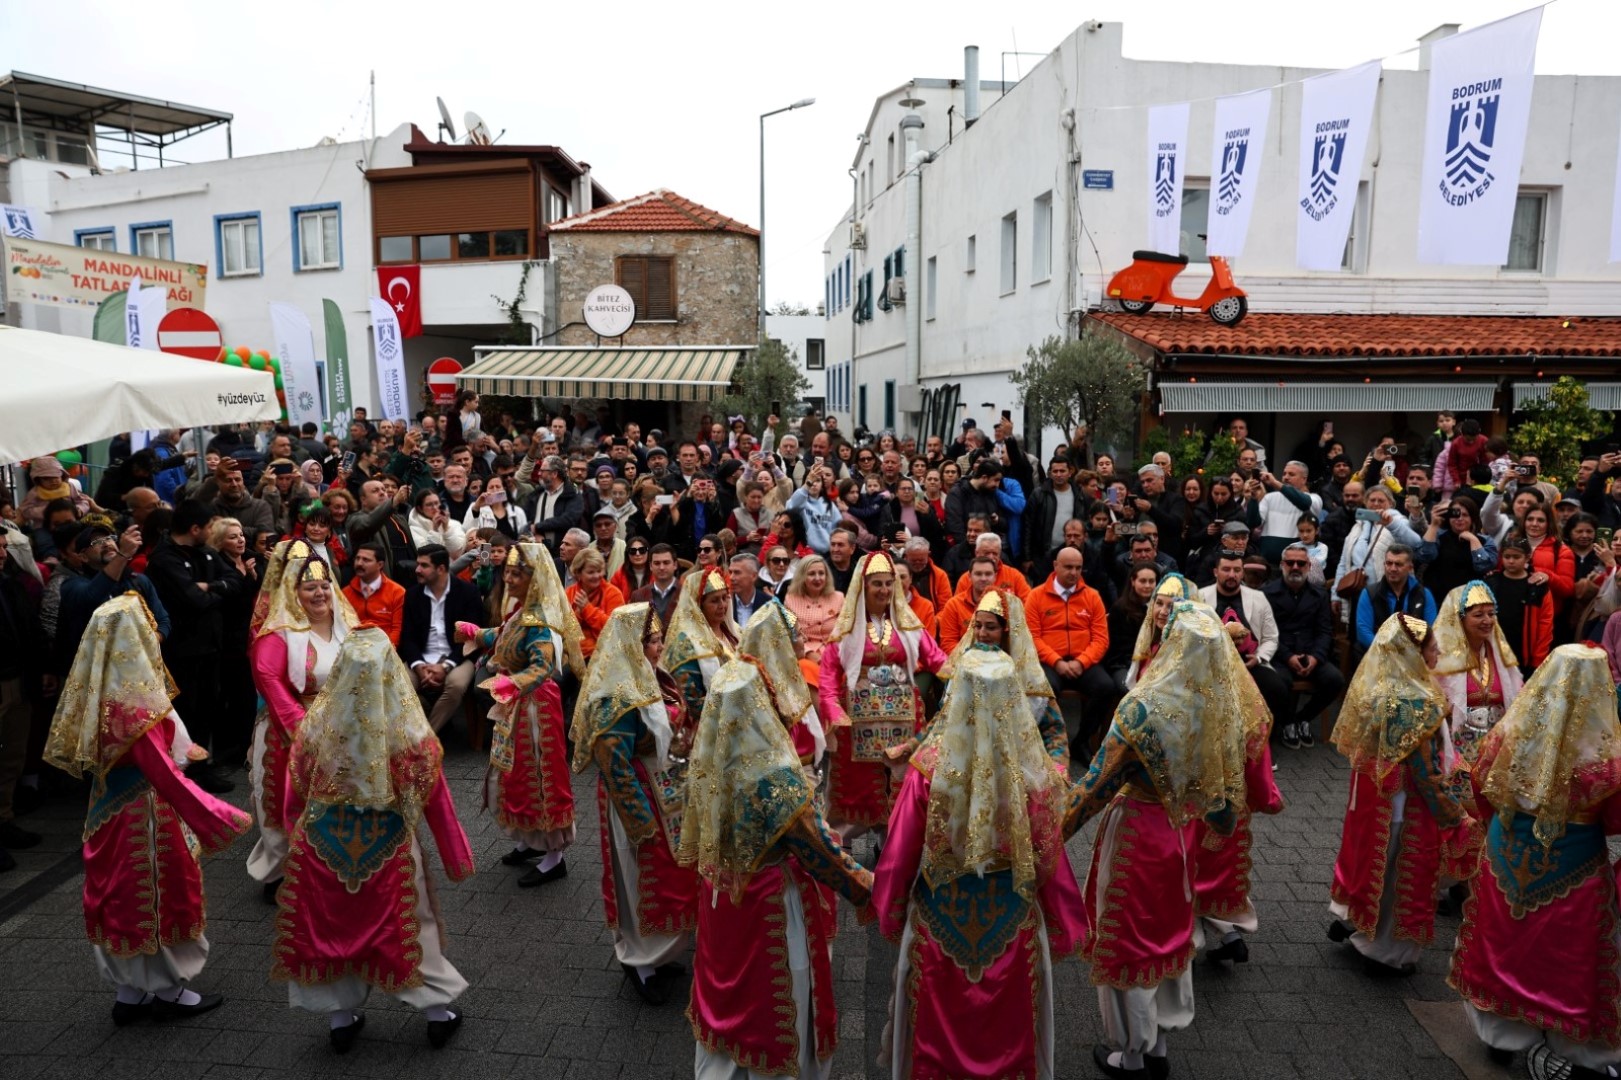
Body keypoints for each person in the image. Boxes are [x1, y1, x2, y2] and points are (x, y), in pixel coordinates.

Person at [874, 648, 1085, 1078]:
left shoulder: (929, 769)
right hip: (1011, 923)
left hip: (939, 921)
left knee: (935, 1035)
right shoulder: (1030, 770)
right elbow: (1049, 855)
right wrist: (1064, 920)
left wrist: (891, 911)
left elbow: (898, 856)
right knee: (1009, 1034)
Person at [45, 594, 251, 1024]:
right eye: (148, 627)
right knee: (159, 894)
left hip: (105, 812)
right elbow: (163, 772)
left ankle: (129, 992)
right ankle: (170, 991)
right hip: (145, 813)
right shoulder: (134, 705)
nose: (156, 634)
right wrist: (215, 813)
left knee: (117, 895)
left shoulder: (102, 692)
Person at [678, 628, 871, 1080]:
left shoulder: (710, 762)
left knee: (725, 992)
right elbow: (818, 851)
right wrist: (871, 887)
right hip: (768, 902)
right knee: (778, 994)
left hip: (722, 898)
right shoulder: (775, 777)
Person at [1065, 602, 1248, 1078]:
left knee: (1129, 939)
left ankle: (1129, 1054)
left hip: (1137, 835)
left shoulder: (1142, 709)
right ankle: (1159, 1045)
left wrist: (1046, 835)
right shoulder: (1219, 708)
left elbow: (1094, 789)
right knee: (1169, 936)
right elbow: (1226, 808)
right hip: (1180, 836)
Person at [272, 628, 474, 1053]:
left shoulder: (316, 728)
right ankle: (436, 1012)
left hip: (323, 845)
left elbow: (295, 792)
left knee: (330, 928)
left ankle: (341, 1019)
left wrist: (294, 837)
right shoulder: (409, 732)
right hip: (389, 846)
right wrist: (457, 857)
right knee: (407, 927)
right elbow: (437, 801)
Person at [1448, 644, 1621, 1077]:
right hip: (1575, 866)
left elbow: (1479, 780)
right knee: (1566, 953)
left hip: (1507, 854)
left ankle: (1500, 1036)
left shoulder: (1512, 731)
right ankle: (1573, 1048)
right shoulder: (1606, 754)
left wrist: (1499, 829)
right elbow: (1616, 819)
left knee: (1504, 942)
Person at [1328, 614, 1474, 975]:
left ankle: (1359, 925)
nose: (1438, 651)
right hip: (1406, 808)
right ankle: (1387, 953)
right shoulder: (1418, 704)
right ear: (1413, 653)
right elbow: (1426, 772)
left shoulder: (1379, 686)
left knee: (1374, 866)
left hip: (1374, 801)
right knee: (1400, 875)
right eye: (1431, 646)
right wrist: (1454, 814)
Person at [568, 603, 696, 1005]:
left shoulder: (654, 676)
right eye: (652, 641)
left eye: (659, 639)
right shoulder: (615, 696)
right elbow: (613, 763)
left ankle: (660, 951)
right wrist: (641, 822)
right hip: (637, 798)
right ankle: (639, 958)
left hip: (668, 790)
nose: (659, 648)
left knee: (674, 874)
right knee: (639, 874)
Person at [460, 543, 584, 886]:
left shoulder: (539, 619)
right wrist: (475, 632)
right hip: (515, 704)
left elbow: (542, 667)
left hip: (535, 709)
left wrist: (509, 684)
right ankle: (529, 840)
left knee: (541, 779)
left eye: (517, 573)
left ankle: (554, 855)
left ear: (534, 578)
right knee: (512, 774)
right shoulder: (521, 612)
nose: (509, 578)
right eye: (508, 572)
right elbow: (503, 636)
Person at [248, 544, 359, 899]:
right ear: (293, 593)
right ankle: (280, 871)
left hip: (341, 726)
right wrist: (305, 730)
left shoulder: (347, 627)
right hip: (290, 733)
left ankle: (326, 865)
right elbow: (271, 682)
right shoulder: (277, 635)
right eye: (310, 587)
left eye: (324, 585)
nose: (319, 593)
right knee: (284, 802)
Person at [818, 551, 948, 845]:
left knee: (900, 783)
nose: (885, 590)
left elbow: (937, 659)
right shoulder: (847, 628)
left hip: (902, 721)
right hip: (856, 724)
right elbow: (827, 676)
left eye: (889, 583)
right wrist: (834, 710)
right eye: (877, 584)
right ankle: (843, 851)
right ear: (863, 587)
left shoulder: (908, 625)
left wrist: (968, 672)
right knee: (857, 786)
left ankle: (893, 845)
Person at [1430, 581, 1525, 782]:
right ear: (1460, 619)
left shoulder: (1500, 657)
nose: (1487, 621)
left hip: (1497, 760)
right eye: (1478, 615)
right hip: (1457, 761)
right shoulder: (1441, 661)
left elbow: (1519, 701)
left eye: (1491, 614)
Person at [1025, 544, 1114, 748]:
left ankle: (1081, 742)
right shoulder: (1036, 596)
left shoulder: (1092, 596)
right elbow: (1032, 637)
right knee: (1043, 688)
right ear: (1055, 565)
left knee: (1106, 687)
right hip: (1049, 662)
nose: (1074, 573)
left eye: (1078, 567)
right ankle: (1048, 742)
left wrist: (1081, 662)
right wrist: (1056, 662)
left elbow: (1101, 639)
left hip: (1083, 662)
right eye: (1068, 567)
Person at [1264, 543, 1344, 749]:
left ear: (1309, 566)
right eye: (1290, 563)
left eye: (1301, 563)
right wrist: (1288, 657)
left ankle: (1302, 718)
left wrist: (1316, 657)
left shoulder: (1319, 594)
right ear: (1282, 565)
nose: (1295, 567)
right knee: (1277, 683)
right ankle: (1287, 721)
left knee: (1336, 680)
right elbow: (1266, 634)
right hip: (1281, 655)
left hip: (1311, 654)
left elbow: (1325, 632)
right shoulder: (1267, 593)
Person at [399, 544, 485, 735]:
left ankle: (426, 738)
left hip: (458, 657)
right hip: (421, 658)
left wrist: (445, 666)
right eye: (417, 564)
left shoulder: (468, 593)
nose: (417, 570)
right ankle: (421, 732)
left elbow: (470, 638)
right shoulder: (413, 594)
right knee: (398, 686)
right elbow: (408, 638)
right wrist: (420, 667)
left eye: (423, 565)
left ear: (441, 569)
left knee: (456, 685)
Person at [659, 567, 739, 722]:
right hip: (706, 726)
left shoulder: (735, 633)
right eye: (714, 600)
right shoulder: (686, 644)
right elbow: (690, 701)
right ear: (698, 606)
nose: (722, 605)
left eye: (724, 598)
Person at [341, 542, 406, 645]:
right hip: (355, 649)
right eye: (357, 559)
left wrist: (386, 652)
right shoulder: (345, 593)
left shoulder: (397, 592)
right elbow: (343, 628)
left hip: (387, 650)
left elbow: (397, 629)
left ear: (380, 565)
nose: (359, 563)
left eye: (366, 560)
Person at [566, 547, 623, 659]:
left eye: (599, 571)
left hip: (605, 657)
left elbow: (615, 629)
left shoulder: (613, 593)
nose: (597, 576)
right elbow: (565, 631)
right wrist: (578, 613)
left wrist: (587, 609)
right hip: (572, 656)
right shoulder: (569, 593)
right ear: (578, 573)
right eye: (591, 572)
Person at [629, 543, 682, 628]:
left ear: (675, 565)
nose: (661, 567)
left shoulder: (687, 593)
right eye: (657, 563)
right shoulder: (638, 596)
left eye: (666, 563)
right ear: (650, 566)